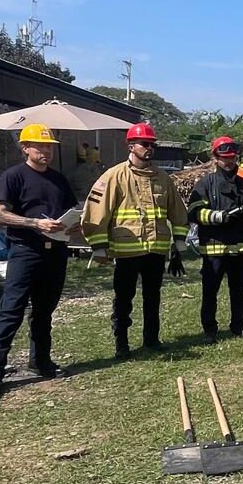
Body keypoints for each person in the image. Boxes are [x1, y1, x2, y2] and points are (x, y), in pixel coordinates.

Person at [0, 123, 78, 392]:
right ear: (25, 148)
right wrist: (35, 224)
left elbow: (71, 209)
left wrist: (73, 224)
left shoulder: (59, 179)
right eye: (41, 146)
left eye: (49, 147)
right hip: (25, 251)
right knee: (11, 310)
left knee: (44, 311)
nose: (46, 151)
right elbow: (0, 215)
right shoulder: (13, 176)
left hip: (56, 252)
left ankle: (41, 361)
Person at [82, 122, 189, 359]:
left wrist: (179, 242)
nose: (149, 148)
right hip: (127, 251)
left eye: (152, 144)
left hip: (156, 250)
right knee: (124, 299)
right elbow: (97, 212)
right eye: (144, 144)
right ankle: (122, 344)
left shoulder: (163, 178)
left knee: (153, 297)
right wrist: (99, 246)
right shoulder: (114, 176)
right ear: (131, 146)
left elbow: (178, 212)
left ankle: (151, 340)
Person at [188, 136, 243, 344]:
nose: (229, 162)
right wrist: (219, 216)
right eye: (225, 158)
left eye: (232, 158)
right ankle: (209, 331)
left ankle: (239, 326)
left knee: (238, 291)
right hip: (213, 248)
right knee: (210, 292)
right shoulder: (205, 184)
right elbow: (194, 212)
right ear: (215, 159)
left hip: (239, 248)